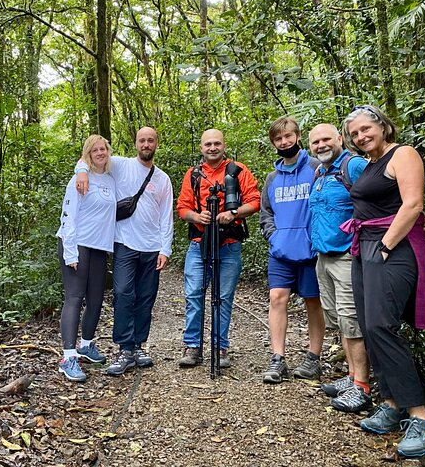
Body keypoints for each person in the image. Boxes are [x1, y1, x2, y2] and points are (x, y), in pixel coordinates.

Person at [340, 105, 425, 458]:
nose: (361, 136)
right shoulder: (369, 164)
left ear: (383, 126)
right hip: (364, 247)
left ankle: (421, 416)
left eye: (366, 129)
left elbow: (413, 204)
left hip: (392, 247)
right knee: (370, 328)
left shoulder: (404, 154)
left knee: (383, 325)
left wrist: (384, 247)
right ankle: (391, 402)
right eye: (354, 134)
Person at [75, 127, 174, 376]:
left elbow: (166, 216)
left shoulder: (162, 178)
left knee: (145, 298)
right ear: (135, 144)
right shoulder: (121, 165)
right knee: (122, 293)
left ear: (156, 144)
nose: (146, 144)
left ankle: (138, 346)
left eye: (150, 140)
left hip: (152, 247)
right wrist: (82, 172)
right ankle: (124, 347)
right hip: (124, 243)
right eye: (142, 140)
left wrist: (166, 248)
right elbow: (90, 156)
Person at [176, 129, 260, 368]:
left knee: (223, 297)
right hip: (199, 243)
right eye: (208, 144)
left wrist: (232, 213)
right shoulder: (193, 174)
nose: (212, 148)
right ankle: (192, 345)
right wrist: (196, 216)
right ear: (201, 148)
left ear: (224, 145)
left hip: (229, 243)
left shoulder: (238, 170)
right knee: (194, 295)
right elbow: (182, 207)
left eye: (217, 144)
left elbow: (254, 201)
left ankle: (219, 347)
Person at [307, 123, 371, 411]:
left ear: (339, 139)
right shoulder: (320, 172)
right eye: (315, 142)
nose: (321, 145)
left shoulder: (354, 166)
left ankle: (362, 387)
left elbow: (381, 198)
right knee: (339, 320)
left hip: (347, 255)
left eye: (326, 139)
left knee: (352, 320)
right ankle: (352, 376)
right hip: (324, 256)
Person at [259, 116, 325, 384]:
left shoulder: (317, 168)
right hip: (281, 251)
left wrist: (317, 238)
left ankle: (313, 357)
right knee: (277, 298)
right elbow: (266, 213)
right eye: (278, 138)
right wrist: (274, 238)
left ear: (298, 136)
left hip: (311, 251)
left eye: (288, 136)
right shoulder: (272, 178)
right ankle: (277, 359)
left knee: (313, 302)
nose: (284, 141)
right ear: (273, 142)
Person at [56, 135, 116, 382]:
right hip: (77, 243)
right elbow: (68, 217)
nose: (100, 153)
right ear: (87, 154)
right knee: (74, 296)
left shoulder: (111, 179)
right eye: (95, 150)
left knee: (95, 298)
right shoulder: (78, 179)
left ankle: (86, 345)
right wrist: (70, 251)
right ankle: (68, 357)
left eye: (103, 149)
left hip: (99, 247)